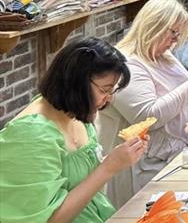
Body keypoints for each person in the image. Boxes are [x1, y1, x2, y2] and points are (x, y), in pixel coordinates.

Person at [0, 37, 146, 223]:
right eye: (104, 90)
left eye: (112, 91)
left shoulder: (76, 113)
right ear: (77, 81)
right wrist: (109, 167)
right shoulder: (31, 135)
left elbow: (79, 179)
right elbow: (49, 219)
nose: (108, 99)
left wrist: (122, 157)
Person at [97, 0, 188, 208]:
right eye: (173, 32)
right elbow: (148, 117)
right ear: (154, 25)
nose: (175, 41)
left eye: (179, 35)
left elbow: (184, 100)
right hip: (143, 165)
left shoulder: (164, 55)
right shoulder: (127, 63)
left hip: (172, 157)